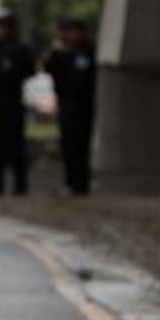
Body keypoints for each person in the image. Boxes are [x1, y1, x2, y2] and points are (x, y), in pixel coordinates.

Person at [0, 10, 36, 197]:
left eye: (6, 27)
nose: (2, 31)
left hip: (11, 104)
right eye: (0, 26)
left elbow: (29, 71)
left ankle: (20, 186)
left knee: (15, 148)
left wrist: (8, 73)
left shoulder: (20, 49)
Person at [44, 18, 97, 195]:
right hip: (66, 104)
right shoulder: (65, 52)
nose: (64, 36)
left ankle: (79, 184)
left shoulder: (85, 50)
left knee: (78, 146)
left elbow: (79, 80)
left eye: (67, 31)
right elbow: (51, 68)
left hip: (80, 106)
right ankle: (71, 181)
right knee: (68, 146)